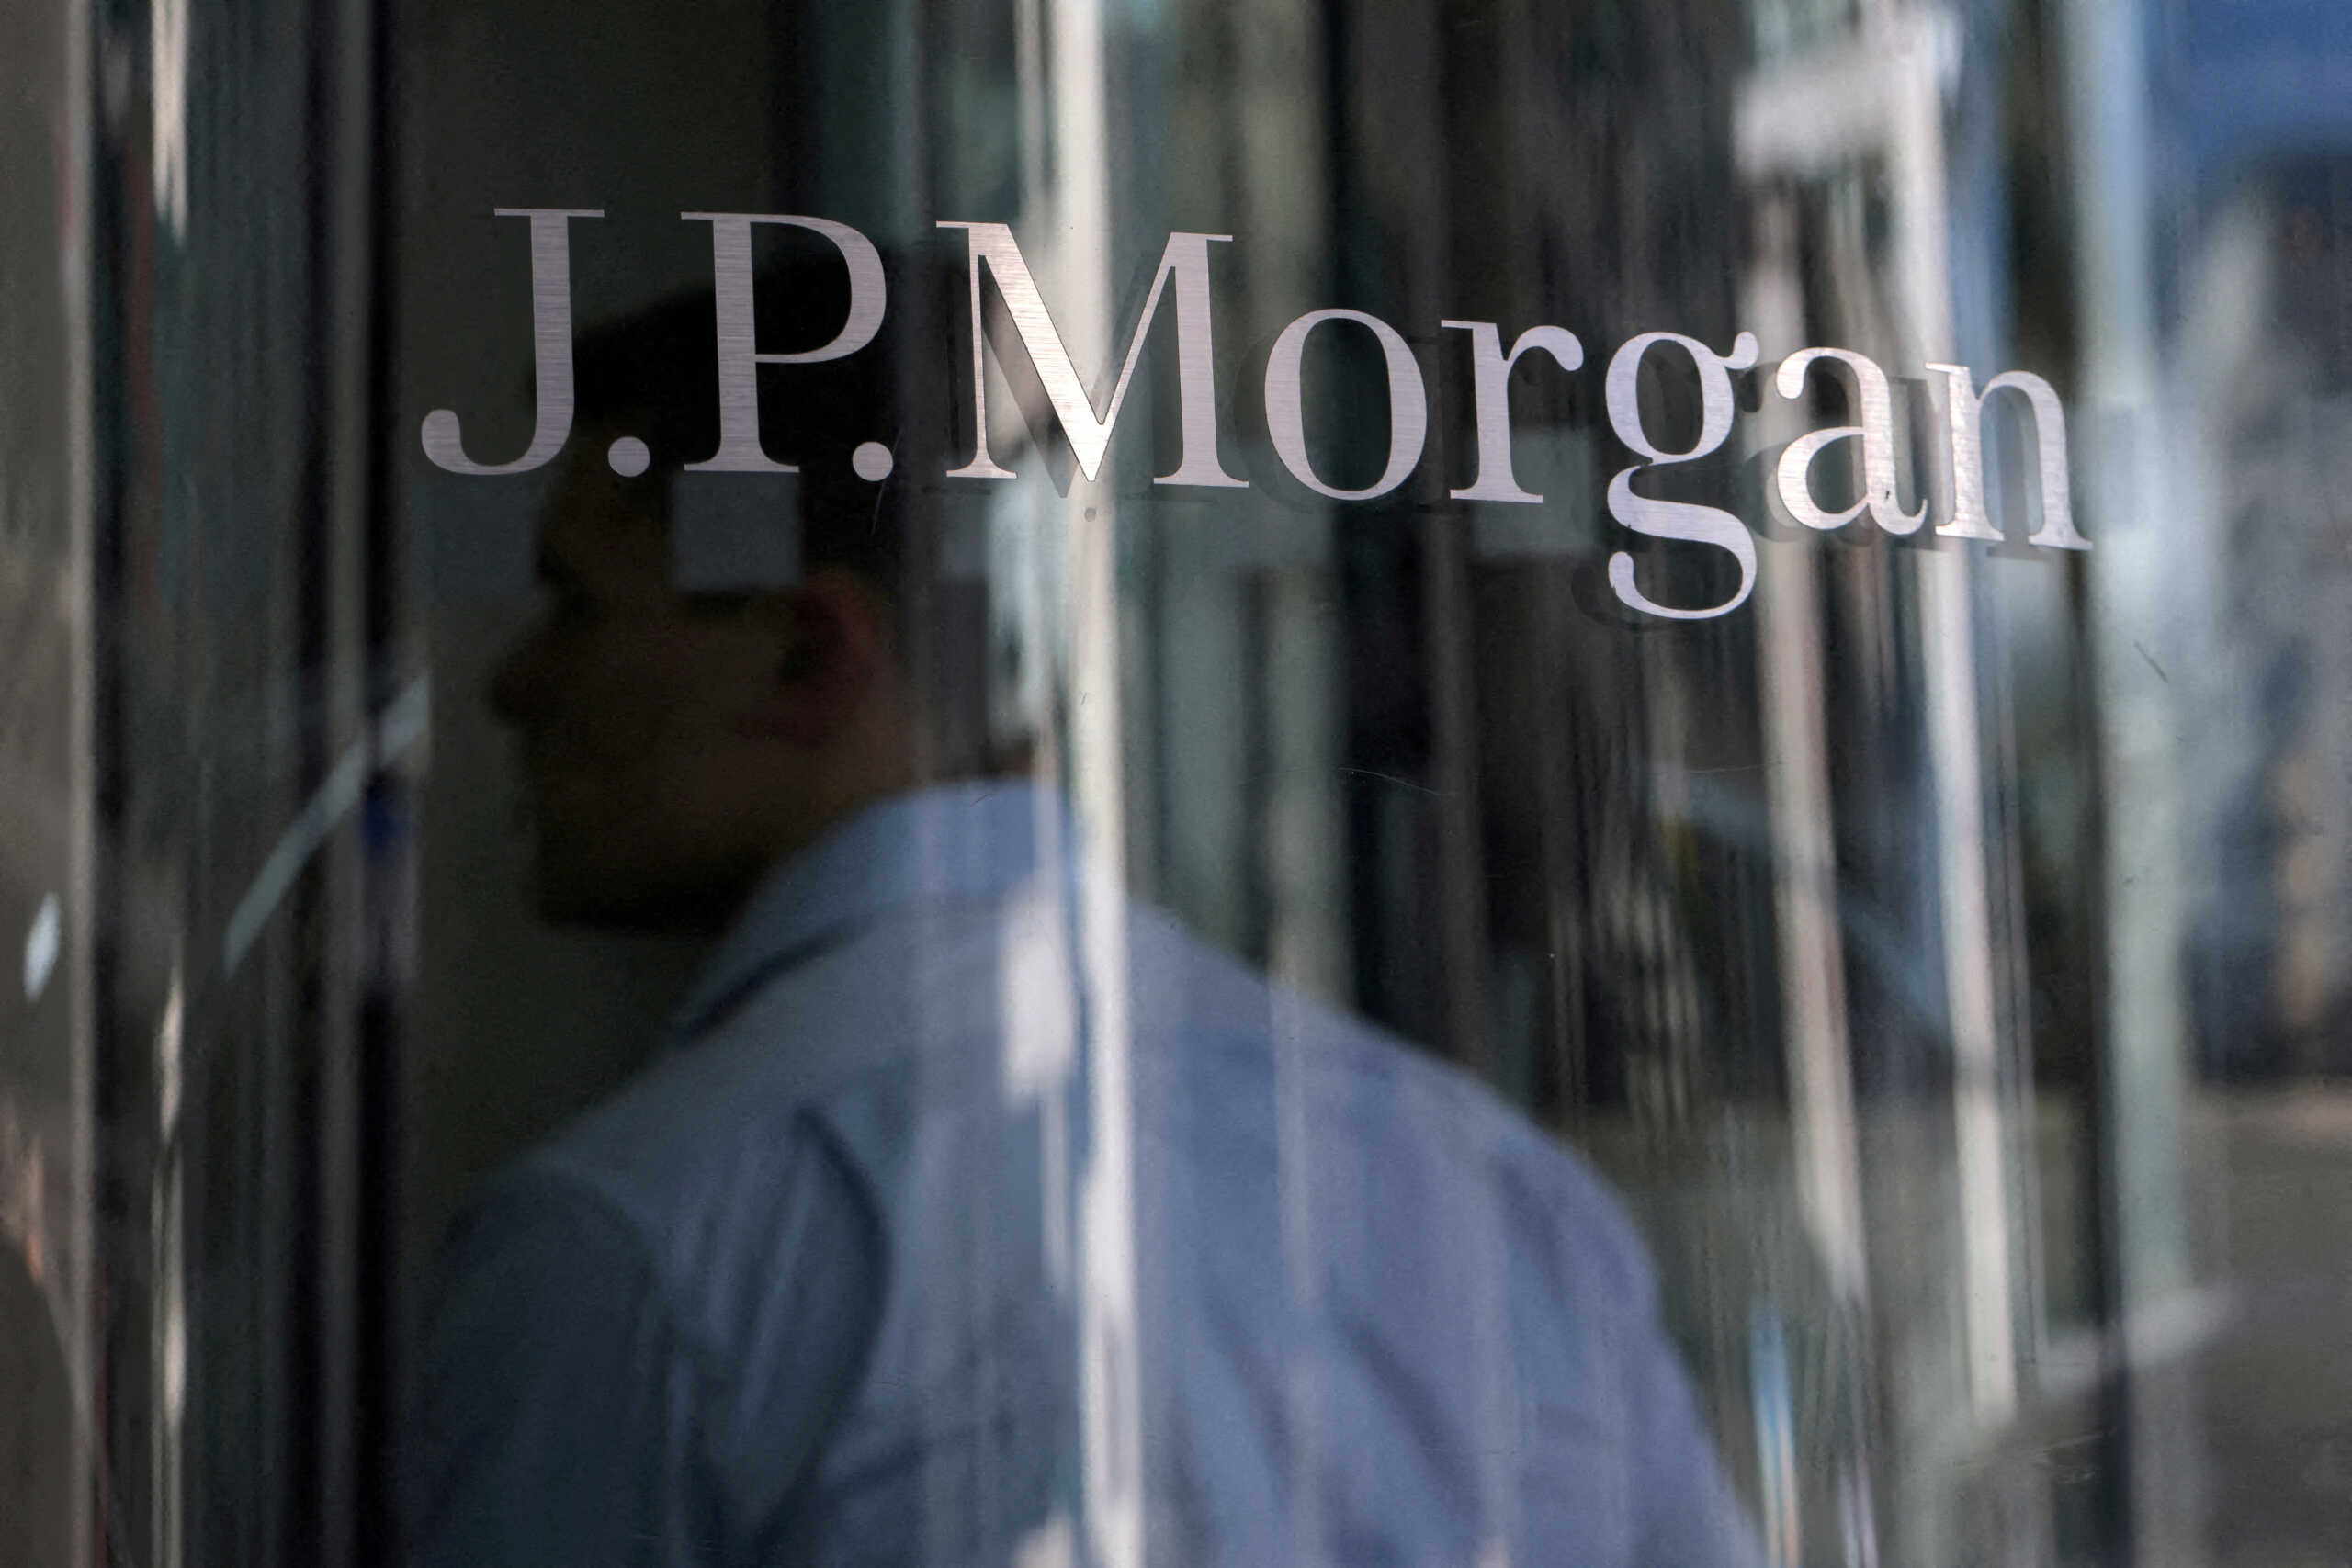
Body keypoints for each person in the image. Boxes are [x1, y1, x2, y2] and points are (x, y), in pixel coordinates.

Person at [406, 254, 1766, 1568]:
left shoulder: (645, 1254)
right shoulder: (1489, 1198)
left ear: (812, 654)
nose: (512, 682)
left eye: (574, 608)